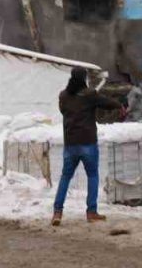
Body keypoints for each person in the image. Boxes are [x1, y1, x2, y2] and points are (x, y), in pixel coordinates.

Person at [51, 68, 125, 226]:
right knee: (92, 175)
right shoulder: (89, 95)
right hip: (87, 143)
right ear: (84, 78)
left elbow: (64, 111)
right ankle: (91, 212)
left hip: (70, 144)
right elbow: (107, 103)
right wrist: (119, 105)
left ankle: (57, 212)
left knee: (65, 177)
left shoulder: (63, 96)